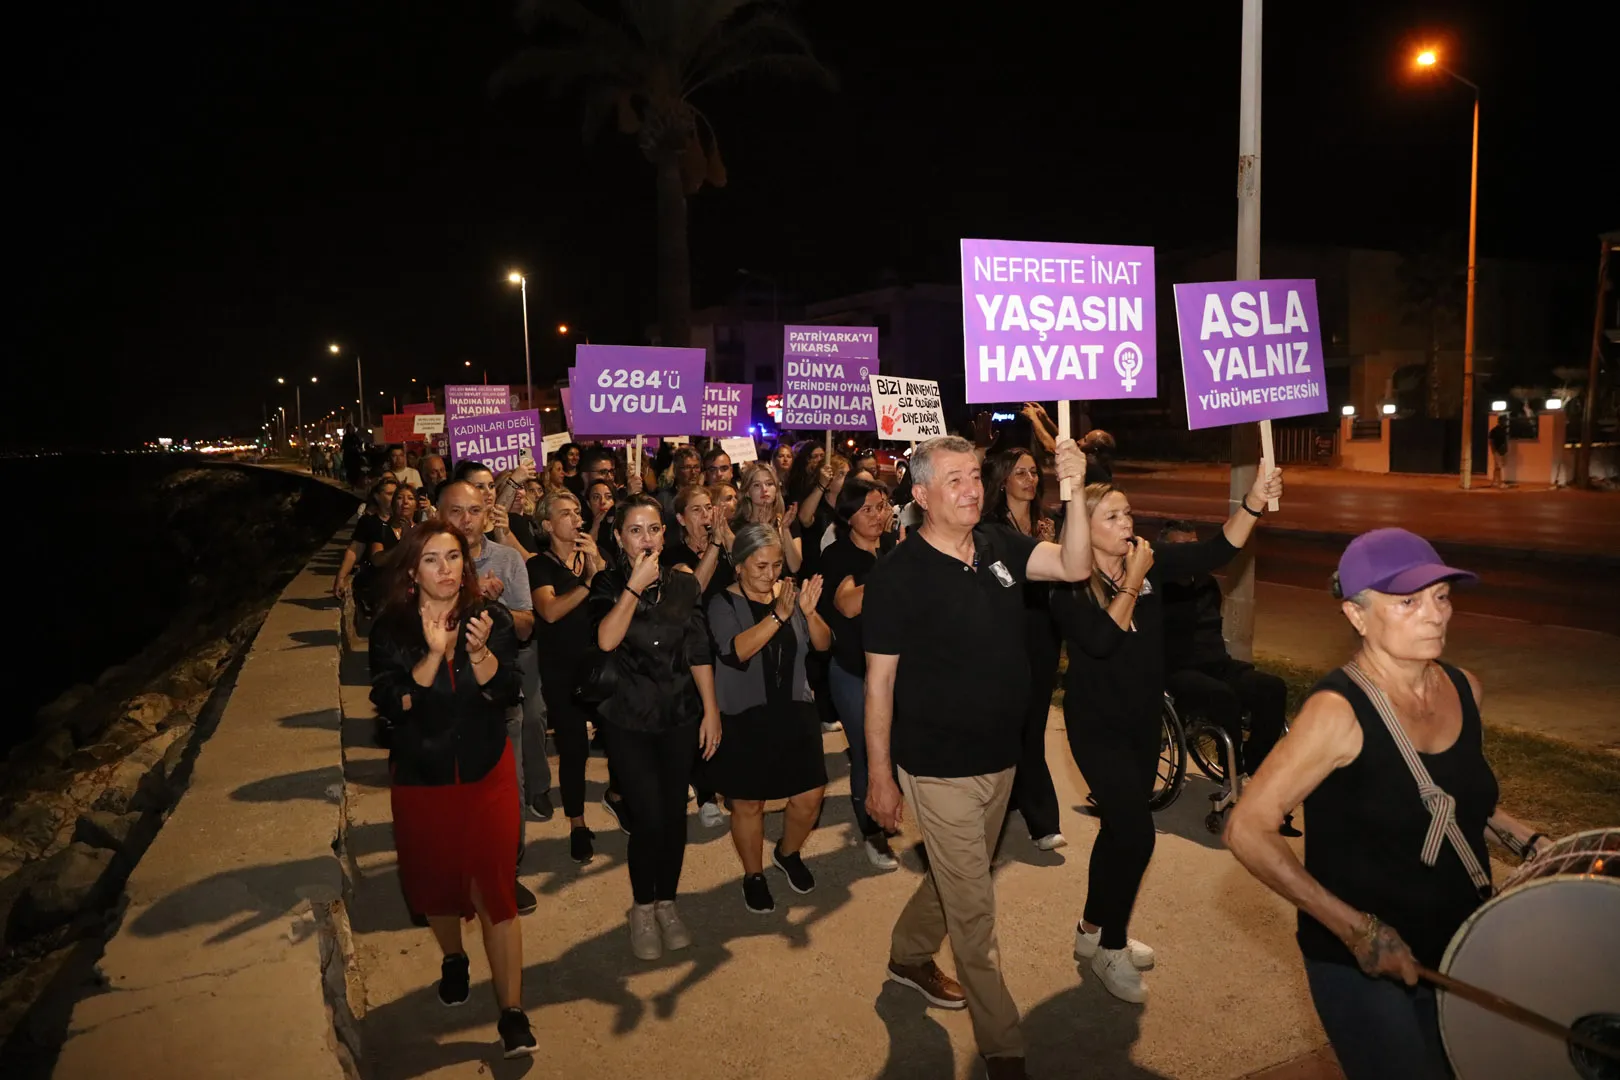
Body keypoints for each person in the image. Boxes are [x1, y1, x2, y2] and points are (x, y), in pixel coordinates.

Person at [1226, 529, 1550, 1080]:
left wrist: (1532, 842)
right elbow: (1247, 829)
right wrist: (1355, 931)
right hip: (1365, 963)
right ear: (1356, 615)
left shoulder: (1463, 688)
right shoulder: (1338, 712)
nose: (1435, 615)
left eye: (1442, 597)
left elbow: (1449, 796)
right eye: (1408, 602)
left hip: (1460, 944)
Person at [864, 435, 1092, 1080]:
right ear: (921, 495)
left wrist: (1070, 491)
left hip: (1003, 759)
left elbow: (1074, 567)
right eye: (955, 479)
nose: (971, 488)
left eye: (974, 476)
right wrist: (880, 778)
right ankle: (1004, 1049)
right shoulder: (898, 577)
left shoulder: (997, 546)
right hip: (938, 770)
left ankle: (908, 954)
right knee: (975, 914)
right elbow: (879, 685)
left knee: (955, 875)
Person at [1051, 467, 1283, 1005]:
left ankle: (1090, 930)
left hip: (1142, 724)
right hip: (1097, 728)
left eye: (1128, 512)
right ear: (1084, 527)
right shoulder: (1067, 584)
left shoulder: (1147, 560)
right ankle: (1111, 947)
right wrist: (1133, 580)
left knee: (1117, 833)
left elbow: (1214, 552)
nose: (1127, 522)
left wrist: (1251, 501)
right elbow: (1104, 641)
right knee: (1136, 834)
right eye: (1112, 515)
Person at [367, 522, 536, 1057]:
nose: (447, 569)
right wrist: (434, 655)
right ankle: (453, 957)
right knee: (435, 884)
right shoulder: (391, 630)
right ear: (413, 571)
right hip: (424, 779)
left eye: (454, 557)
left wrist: (481, 655)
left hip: (488, 773)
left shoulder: (492, 618)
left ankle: (512, 1012)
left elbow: (510, 691)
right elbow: (394, 706)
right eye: (433, 560)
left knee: (496, 891)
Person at [588, 495, 721, 960]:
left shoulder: (683, 585)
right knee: (648, 819)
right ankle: (641, 907)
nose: (646, 538)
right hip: (628, 719)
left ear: (665, 534)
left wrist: (711, 710)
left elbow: (699, 649)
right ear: (620, 537)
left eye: (653, 529)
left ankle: (667, 901)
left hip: (680, 715)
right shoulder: (605, 583)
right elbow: (606, 638)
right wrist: (632, 588)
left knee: (674, 818)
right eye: (635, 530)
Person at [704, 524, 831, 913]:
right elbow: (736, 651)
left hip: (794, 708)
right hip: (745, 715)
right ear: (739, 566)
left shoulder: (789, 595)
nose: (771, 574)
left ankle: (788, 853)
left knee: (810, 795)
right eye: (761, 566)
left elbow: (823, 645)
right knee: (748, 803)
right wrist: (778, 615)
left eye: (777, 565)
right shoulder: (721, 604)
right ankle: (753, 874)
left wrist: (808, 615)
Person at [438, 482, 542, 909]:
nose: (467, 520)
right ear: (439, 514)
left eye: (475, 510)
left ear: (488, 515)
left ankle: (505, 871)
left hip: (498, 696)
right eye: (456, 511)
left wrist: (497, 606)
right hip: (443, 699)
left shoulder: (509, 559)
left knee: (506, 791)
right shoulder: (428, 561)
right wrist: (469, 592)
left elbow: (526, 625)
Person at [1158, 519, 1292, 828]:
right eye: (1182, 547)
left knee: (1272, 688)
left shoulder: (1205, 583)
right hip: (1178, 669)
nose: (1191, 554)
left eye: (1195, 546)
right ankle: (1234, 777)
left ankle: (1255, 768)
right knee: (1222, 697)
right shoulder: (1156, 587)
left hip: (1217, 663)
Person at [981, 447, 1065, 852]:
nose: (1030, 479)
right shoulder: (990, 527)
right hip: (1007, 632)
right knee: (1017, 721)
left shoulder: (1047, 522)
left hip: (1044, 631)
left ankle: (1025, 804)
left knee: (1033, 721)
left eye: (1034, 472)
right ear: (1002, 480)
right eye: (1020, 473)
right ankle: (1041, 816)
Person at [817, 475, 900, 869]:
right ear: (848, 516)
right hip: (853, 671)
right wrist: (892, 573)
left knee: (897, 747)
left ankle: (886, 808)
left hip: (898, 669)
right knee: (868, 752)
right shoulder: (838, 556)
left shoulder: (892, 548)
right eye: (866, 509)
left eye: (881, 507)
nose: (876, 515)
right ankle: (871, 832)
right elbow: (848, 604)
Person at [527, 490, 606, 863]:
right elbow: (551, 611)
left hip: (602, 666)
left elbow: (617, 598)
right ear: (547, 525)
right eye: (565, 513)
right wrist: (588, 583)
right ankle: (577, 823)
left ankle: (620, 797)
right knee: (574, 749)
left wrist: (598, 567)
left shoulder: (591, 556)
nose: (576, 518)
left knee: (621, 738)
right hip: (561, 671)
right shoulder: (539, 567)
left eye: (577, 512)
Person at [333, 477, 399, 614]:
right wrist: (341, 577)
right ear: (377, 496)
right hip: (379, 580)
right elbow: (355, 550)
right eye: (389, 494)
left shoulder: (410, 521)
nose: (394, 498)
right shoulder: (369, 522)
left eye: (396, 493)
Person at [732, 462, 801, 575]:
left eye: (769, 484)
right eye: (757, 485)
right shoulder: (738, 526)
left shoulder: (788, 521)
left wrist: (785, 529)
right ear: (747, 492)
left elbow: (795, 567)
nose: (764, 489)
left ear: (776, 489)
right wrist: (761, 530)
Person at [661, 484, 730, 595]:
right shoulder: (672, 556)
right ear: (681, 519)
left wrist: (725, 530)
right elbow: (695, 589)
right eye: (696, 510)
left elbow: (747, 565)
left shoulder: (724, 545)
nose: (705, 514)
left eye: (708, 508)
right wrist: (715, 542)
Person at [657, 446, 704, 520]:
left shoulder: (705, 496)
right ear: (676, 470)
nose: (693, 472)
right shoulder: (664, 499)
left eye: (696, 467)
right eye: (687, 467)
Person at [1488, 415, 1509, 487]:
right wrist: (1493, 451)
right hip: (1497, 450)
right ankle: (1500, 482)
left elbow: (1505, 440)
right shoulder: (1494, 430)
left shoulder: (1504, 430)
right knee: (1499, 467)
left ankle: (1494, 481)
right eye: (1504, 421)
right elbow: (1491, 441)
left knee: (1497, 467)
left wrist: (1506, 448)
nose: (1505, 422)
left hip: (1502, 450)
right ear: (1500, 421)